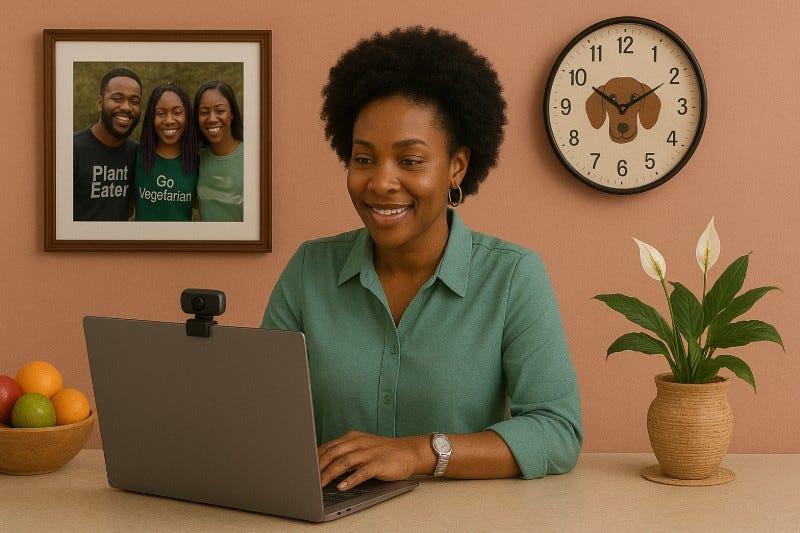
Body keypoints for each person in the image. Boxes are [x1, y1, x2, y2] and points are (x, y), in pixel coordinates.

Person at [262, 27, 582, 491]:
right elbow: (259, 411)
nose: (381, 183)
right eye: (363, 159)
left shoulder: (513, 277)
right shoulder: (310, 269)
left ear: (456, 166)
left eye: (410, 161)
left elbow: (557, 431)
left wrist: (419, 452)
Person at [73, 67, 142, 221]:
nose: (126, 107)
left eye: (134, 101)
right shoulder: (70, 150)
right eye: (117, 99)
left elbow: (130, 210)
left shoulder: (137, 154)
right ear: (100, 103)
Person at [134, 83, 198, 221]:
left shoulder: (198, 161)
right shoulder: (135, 156)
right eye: (161, 113)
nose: (169, 120)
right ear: (151, 117)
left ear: (187, 116)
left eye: (177, 112)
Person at [194, 80, 244, 222]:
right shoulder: (197, 159)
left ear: (232, 113)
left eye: (220, 111)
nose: (212, 119)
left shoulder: (252, 158)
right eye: (204, 112)